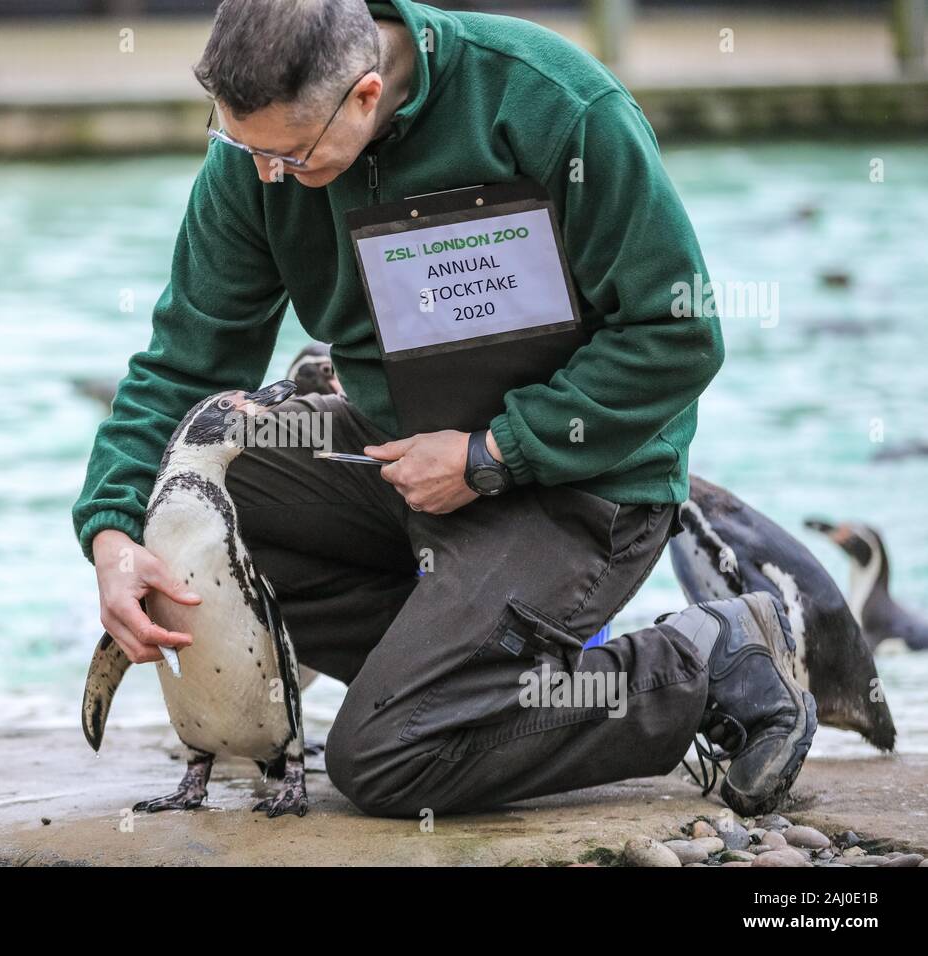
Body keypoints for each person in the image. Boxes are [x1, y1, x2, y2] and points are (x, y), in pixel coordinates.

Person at [72, 0, 815, 818]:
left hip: (576, 484)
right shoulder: (260, 157)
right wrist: (112, 530)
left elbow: (677, 335)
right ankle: (456, 672)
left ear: (364, 95)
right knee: (190, 498)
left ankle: (701, 662)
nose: (261, 175)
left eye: (288, 156)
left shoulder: (552, 105)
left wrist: (493, 454)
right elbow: (185, 364)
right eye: (237, 143)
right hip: (399, 464)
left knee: (386, 760)